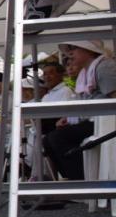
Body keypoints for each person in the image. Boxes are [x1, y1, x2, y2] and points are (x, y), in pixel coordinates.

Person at [45, 40, 116, 179]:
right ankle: (75, 178)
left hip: (106, 122)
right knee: (48, 140)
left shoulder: (104, 67)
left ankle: (82, 180)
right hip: (93, 119)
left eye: (74, 48)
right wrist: (69, 118)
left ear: (89, 50)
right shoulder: (86, 72)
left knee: (58, 138)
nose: (70, 53)